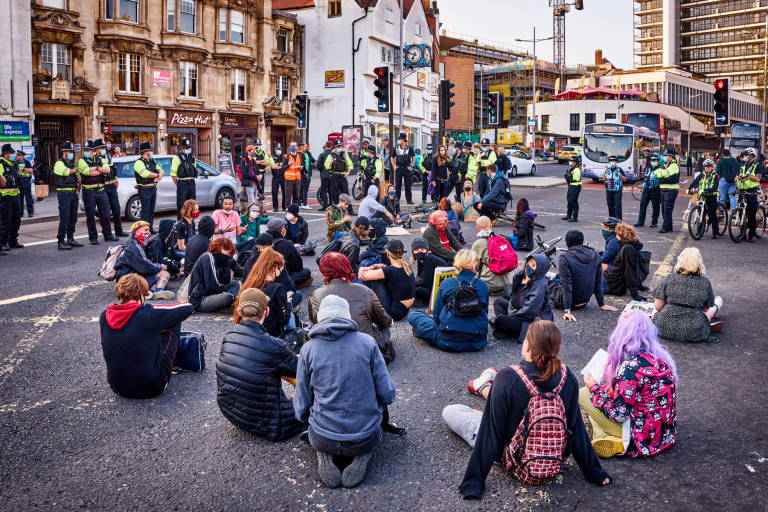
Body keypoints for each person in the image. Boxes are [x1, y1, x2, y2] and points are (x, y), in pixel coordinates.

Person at [451, 320, 611, 499]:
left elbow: (490, 433)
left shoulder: (507, 377)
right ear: (556, 350)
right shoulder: (568, 378)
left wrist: (474, 482)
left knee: (452, 411)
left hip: (515, 458)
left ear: (527, 346)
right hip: (553, 457)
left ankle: (484, 386)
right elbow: (576, 430)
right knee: (495, 403)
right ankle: (485, 386)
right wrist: (595, 472)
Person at [294, 295, 397, 489]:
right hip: (364, 437)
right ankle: (362, 455)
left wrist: (302, 416)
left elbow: (302, 399)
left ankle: (324, 453)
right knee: (371, 426)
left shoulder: (308, 349)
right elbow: (387, 393)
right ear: (347, 317)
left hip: (322, 436)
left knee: (318, 423)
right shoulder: (367, 343)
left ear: (320, 318)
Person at [580, 312, 677, 458]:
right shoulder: (660, 358)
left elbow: (618, 414)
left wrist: (594, 388)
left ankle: (617, 441)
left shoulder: (630, 369)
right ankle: (607, 438)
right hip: (664, 435)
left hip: (642, 438)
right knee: (603, 396)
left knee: (584, 394)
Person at [217, 287, 305, 441]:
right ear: (267, 312)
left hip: (232, 412)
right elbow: (303, 372)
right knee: (314, 400)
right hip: (273, 424)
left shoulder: (229, 336)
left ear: (239, 311)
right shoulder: (274, 346)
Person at [99, 274, 194, 399]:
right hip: (151, 387)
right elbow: (187, 308)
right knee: (173, 321)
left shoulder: (104, 316)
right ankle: (166, 368)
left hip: (117, 387)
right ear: (141, 296)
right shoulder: (149, 314)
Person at [310, 252, 394, 363]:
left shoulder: (316, 295)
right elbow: (385, 321)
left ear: (324, 271)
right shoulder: (364, 291)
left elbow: (316, 322)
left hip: (331, 356)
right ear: (347, 267)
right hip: (365, 355)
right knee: (384, 328)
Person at [408, 249, 489, 352]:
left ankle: (421, 332)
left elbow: (436, 317)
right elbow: (484, 312)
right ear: (474, 265)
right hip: (478, 341)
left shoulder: (447, 283)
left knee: (415, 315)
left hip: (449, 341)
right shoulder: (482, 285)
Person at [653, 247, 723, 343]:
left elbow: (657, 307)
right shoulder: (705, 282)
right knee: (707, 312)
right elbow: (705, 309)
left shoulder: (669, 278)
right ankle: (717, 305)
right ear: (699, 263)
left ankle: (713, 312)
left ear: (680, 261)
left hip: (663, 328)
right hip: (693, 330)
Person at [550, 230, 617, 322]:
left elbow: (567, 285)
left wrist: (567, 310)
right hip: (584, 301)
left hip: (568, 303)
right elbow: (598, 282)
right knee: (558, 279)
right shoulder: (595, 255)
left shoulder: (564, 257)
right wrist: (601, 304)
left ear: (567, 242)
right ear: (581, 241)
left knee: (546, 282)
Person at [492, 254, 553, 343]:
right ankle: (508, 329)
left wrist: (512, 315)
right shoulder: (520, 276)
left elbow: (529, 311)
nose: (529, 267)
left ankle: (514, 331)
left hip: (532, 320)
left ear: (540, 270)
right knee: (498, 302)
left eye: (534, 266)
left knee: (500, 320)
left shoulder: (539, 285)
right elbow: (512, 299)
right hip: (518, 311)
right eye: (530, 263)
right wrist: (511, 312)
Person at [235, 248, 294, 337]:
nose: (281, 272)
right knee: (291, 315)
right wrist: (288, 304)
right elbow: (283, 320)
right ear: (274, 267)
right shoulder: (277, 288)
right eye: (281, 268)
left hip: (248, 332)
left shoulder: (250, 283)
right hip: (270, 334)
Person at [114, 221, 175, 300]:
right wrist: (160, 267)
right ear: (137, 232)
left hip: (125, 281)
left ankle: (151, 291)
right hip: (129, 283)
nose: (149, 232)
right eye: (146, 230)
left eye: (149, 230)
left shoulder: (132, 243)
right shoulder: (135, 247)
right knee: (164, 273)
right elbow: (146, 267)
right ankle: (158, 291)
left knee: (155, 275)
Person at [357, 240, 415, 321]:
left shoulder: (389, 271)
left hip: (393, 312)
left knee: (371, 280)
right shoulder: (406, 265)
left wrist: (361, 268)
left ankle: (373, 310)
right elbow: (385, 268)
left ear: (387, 253)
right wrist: (375, 266)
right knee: (378, 273)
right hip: (404, 309)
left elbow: (362, 276)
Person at [77, 140, 116, 245]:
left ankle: (108, 235)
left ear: (93, 151)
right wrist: (99, 170)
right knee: (90, 216)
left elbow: (107, 170)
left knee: (106, 214)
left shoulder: (99, 159)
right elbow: (88, 172)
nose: (87, 152)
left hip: (101, 190)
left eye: (89, 150)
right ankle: (93, 238)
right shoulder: (81, 161)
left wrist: (97, 168)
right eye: (85, 150)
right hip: (89, 191)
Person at [188, 237, 242, 312]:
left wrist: (226, 264)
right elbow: (211, 286)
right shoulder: (207, 257)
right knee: (228, 297)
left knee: (235, 284)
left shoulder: (220, 261)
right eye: (228, 253)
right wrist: (225, 294)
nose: (229, 256)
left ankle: (223, 303)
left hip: (211, 293)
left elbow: (225, 281)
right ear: (221, 247)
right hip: (200, 299)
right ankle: (226, 303)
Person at [471, 216, 516, 294]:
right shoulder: (501, 239)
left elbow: (473, 266)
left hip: (489, 285)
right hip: (506, 283)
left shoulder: (478, 244)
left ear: (477, 229)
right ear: (491, 226)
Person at [51, 141, 82, 250]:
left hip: (73, 193)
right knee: (65, 218)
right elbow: (66, 172)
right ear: (64, 152)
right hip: (64, 194)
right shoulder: (59, 163)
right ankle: (61, 241)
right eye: (69, 151)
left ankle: (70, 238)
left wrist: (77, 186)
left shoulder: (71, 163)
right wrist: (75, 170)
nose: (71, 153)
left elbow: (76, 177)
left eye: (71, 151)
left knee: (73, 217)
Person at [266, 217, 313, 288]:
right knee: (306, 272)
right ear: (282, 229)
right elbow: (298, 266)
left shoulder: (262, 241)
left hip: (265, 276)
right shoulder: (286, 243)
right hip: (281, 277)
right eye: (284, 227)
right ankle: (291, 285)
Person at [603, 223, 645, 301]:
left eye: (617, 234)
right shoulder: (632, 245)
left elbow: (630, 271)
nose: (616, 236)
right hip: (615, 281)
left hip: (613, 284)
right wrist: (639, 285)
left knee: (584, 280)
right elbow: (636, 267)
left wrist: (634, 294)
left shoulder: (627, 249)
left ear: (622, 236)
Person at [96, 139, 126, 237]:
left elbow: (113, 170)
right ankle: (106, 232)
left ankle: (119, 231)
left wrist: (116, 178)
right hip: (103, 187)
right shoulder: (95, 159)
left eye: (104, 147)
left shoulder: (108, 157)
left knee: (116, 209)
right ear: (97, 149)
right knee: (105, 212)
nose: (103, 149)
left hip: (112, 186)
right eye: (101, 148)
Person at [133, 141, 163, 233]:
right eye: (150, 150)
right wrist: (157, 175)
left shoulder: (152, 161)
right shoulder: (138, 162)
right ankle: (143, 229)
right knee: (145, 211)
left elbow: (162, 171)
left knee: (151, 210)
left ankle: (150, 228)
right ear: (146, 151)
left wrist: (159, 177)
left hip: (153, 188)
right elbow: (145, 174)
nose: (151, 152)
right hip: (144, 189)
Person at [411, 237, 448, 305]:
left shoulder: (429, 259)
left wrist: (411, 284)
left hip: (440, 291)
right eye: (416, 249)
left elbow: (426, 283)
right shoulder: (421, 259)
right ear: (413, 251)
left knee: (416, 290)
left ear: (427, 250)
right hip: (433, 285)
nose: (420, 252)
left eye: (422, 249)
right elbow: (419, 275)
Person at [0, 144, 23, 253]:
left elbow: (18, 177)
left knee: (16, 220)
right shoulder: (1, 164)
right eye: (11, 153)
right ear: (5, 154)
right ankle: (3, 243)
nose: (13, 155)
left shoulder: (14, 164)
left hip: (16, 196)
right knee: (5, 221)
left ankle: (13, 240)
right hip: (5, 197)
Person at [690, 159, 720, 239]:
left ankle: (715, 232)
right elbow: (695, 182)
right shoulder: (702, 174)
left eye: (709, 167)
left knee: (712, 215)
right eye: (706, 167)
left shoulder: (715, 175)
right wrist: (691, 187)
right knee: (702, 214)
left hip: (711, 196)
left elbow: (715, 186)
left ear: (712, 167)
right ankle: (699, 231)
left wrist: (708, 190)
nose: (707, 168)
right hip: (703, 196)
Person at [736, 147, 761, 242]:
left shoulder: (757, 165)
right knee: (741, 212)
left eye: (746, 155)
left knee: (751, 214)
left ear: (752, 156)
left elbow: (758, 179)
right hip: (742, 190)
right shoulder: (743, 164)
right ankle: (742, 233)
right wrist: (737, 178)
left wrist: (748, 176)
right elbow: (738, 175)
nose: (745, 156)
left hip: (751, 192)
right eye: (745, 155)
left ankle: (751, 234)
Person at [653, 149, 680, 233]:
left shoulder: (674, 166)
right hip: (663, 190)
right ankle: (669, 227)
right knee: (664, 210)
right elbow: (655, 172)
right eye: (665, 155)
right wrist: (660, 173)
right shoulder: (664, 165)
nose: (665, 157)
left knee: (667, 210)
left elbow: (663, 173)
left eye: (667, 155)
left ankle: (665, 228)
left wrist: (660, 174)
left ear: (671, 157)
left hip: (671, 191)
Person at [170, 137, 197, 219]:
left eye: (189, 148)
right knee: (182, 205)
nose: (188, 149)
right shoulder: (177, 158)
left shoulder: (193, 158)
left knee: (192, 204)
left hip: (192, 182)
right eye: (186, 148)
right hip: (182, 183)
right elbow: (173, 174)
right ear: (182, 148)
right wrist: (178, 184)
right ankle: (181, 224)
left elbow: (194, 169)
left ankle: (191, 223)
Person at [634, 154, 661, 228]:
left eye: (655, 161)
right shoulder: (648, 168)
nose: (653, 162)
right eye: (652, 161)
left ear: (658, 162)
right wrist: (645, 183)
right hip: (646, 190)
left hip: (656, 190)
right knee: (642, 206)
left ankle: (654, 222)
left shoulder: (660, 169)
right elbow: (646, 177)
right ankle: (640, 222)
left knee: (655, 207)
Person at [325, 140, 354, 206]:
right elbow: (326, 166)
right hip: (334, 176)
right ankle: (336, 209)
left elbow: (350, 164)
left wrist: (348, 173)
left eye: (340, 146)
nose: (340, 148)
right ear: (335, 147)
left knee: (346, 194)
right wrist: (330, 162)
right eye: (338, 146)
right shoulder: (331, 155)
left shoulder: (344, 155)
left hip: (343, 176)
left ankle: (349, 209)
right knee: (335, 194)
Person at [391, 133, 415, 204]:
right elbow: (392, 157)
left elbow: (414, 157)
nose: (399, 140)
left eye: (400, 139)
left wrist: (411, 166)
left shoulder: (409, 148)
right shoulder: (396, 147)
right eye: (398, 139)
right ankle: (397, 198)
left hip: (406, 169)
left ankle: (409, 199)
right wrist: (393, 166)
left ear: (404, 140)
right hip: (399, 169)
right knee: (398, 184)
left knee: (408, 184)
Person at [602, 155, 627, 220]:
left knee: (617, 205)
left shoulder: (619, 170)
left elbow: (625, 179)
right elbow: (604, 179)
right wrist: (605, 181)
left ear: (616, 162)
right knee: (610, 205)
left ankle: (619, 219)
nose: (612, 162)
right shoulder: (608, 170)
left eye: (613, 161)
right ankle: (612, 219)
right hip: (609, 190)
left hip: (617, 191)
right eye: (611, 161)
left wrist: (620, 176)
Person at [561, 155, 581, 222]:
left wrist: (570, 175)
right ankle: (568, 215)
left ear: (575, 162)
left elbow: (576, 179)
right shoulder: (571, 168)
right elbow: (567, 177)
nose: (570, 162)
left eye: (571, 161)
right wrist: (568, 175)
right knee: (569, 201)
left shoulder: (577, 169)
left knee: (573, 201)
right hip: (571, 186)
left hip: (575, 186)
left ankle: (575, 217)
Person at [283, 141, 303, 207]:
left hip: (297, 179)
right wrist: (288, 164)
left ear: (297, 147)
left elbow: (302, 166)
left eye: (294, 146)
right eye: (291, 146)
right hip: (289, 179)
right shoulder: (287, 156)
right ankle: (287, 210)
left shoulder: (299, 156)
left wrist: (301, 168)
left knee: (296, 196)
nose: (293, 147)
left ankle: (294, 211)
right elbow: (282, 168)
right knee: (288, 196)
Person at [15, 150, 33, 218]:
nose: (17, 156)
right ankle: (20, 213)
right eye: (17, 155)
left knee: (28, 198)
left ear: (22, 156)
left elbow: (31, 170)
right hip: (19, 182)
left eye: (18, 155)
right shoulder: (15, 163)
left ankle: (30, 212)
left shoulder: (27, 162)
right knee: (19, 199)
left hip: (26, 182)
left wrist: (23, 169)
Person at [316, 141, 333, 210]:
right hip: (332, 175)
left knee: (324, 191)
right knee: (331, 191)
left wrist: (321, 169)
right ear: (331, 146)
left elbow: (318, 165)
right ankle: (331, 204)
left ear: (325, 146)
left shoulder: (322, 155)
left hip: (324, 175)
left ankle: (325, 205)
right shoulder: (333, 154)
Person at [299, 142, 316, 209]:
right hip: (302, 174)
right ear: (301, 147)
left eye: (307, 147)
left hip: (308, 175)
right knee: (302, 189)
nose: (307, 148)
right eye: (305, 146)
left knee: (304, 189)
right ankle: (304, 204)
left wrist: (315, 162)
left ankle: (301, 203)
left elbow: (313, 160)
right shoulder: (299, 154)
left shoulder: (308, 153)